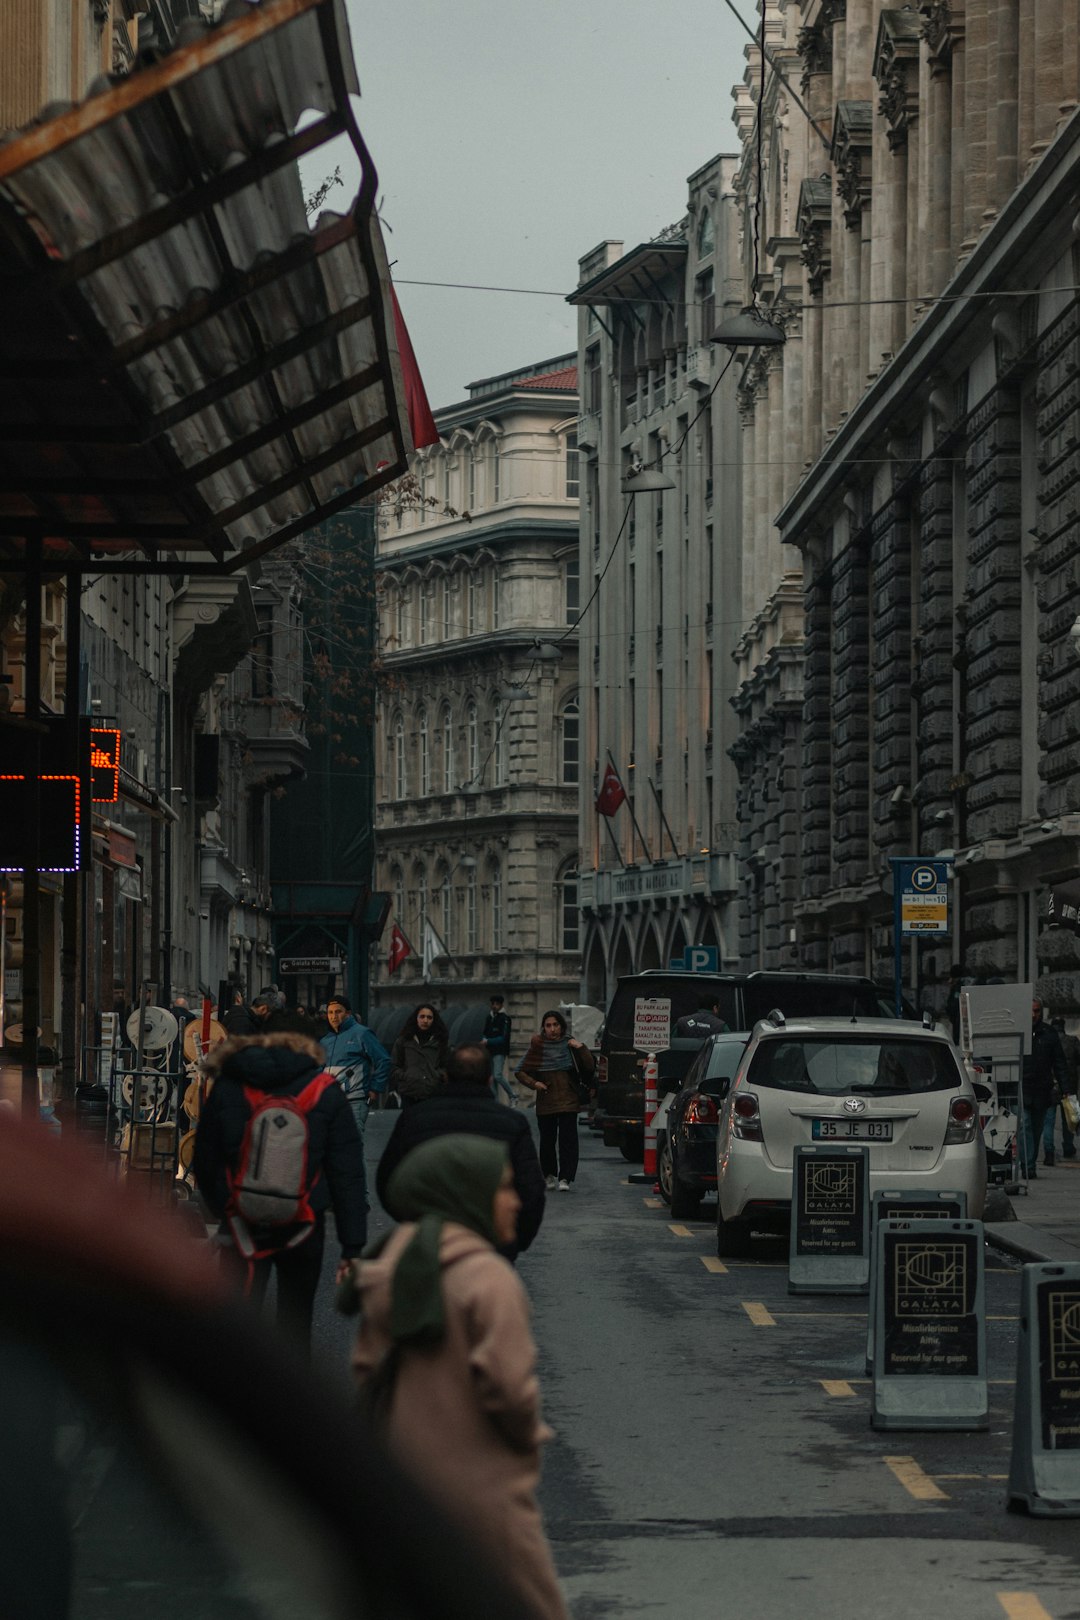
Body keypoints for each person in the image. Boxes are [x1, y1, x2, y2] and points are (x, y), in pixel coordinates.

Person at [349, 1135, 569, 1620]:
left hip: (402, 1483)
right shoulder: (489, 1279)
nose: (517, 1201)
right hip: (483, 1489)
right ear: (467, 1194)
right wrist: (526, 1438)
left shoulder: (395, 1258)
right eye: (504, 1189)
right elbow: (509, 1389)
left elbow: (366, 1369)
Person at [192, 1031, 368, 1350]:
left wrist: (227, 1208)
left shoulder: (229, 1086)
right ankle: (289, 1393)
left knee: (237, 1324)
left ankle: (237, 1393)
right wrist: (352, 1245)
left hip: (242, 1223)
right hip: (303, 1223)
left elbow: (204, 1159)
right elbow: (348, 1171)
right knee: (295, 1323)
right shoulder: (324, 1091)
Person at [377, 1043, 545, 1261]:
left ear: (446, 1076)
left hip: (429, 1239)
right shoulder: (512, 1123)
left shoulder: (415, 1118)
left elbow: (389, 1181)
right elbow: (530, 1190)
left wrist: (413, 1223)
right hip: (489, 1242)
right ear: (489, 1080)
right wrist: (513, 1241)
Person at [514, 1009, 595, 1191]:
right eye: (548, 1025)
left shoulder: (569, 1043)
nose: (552, 1029)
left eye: (556, 1025)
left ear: (562, 1026)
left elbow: (589, 1066)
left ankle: (565, 1177)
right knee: (547, 1141)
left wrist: (580, 1047)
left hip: (568, 1098)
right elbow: (520, 1070)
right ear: (543, 1027)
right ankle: (548, 1174)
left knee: (568, 1140)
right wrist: (535, 1084)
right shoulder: (538, 1046)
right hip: (546, 1100)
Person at [321, 995, 391, 1141]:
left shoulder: (362, 1033)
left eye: (338, 1012)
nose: (333, 1016)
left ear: (348, 1014)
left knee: (350, 1147)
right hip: (331, 1102)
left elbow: (383, 1060)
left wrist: (375, 1089)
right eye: (330, 1012)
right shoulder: (325, 1040)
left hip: (355, 1101)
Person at [1021, 999, 1070, 1176]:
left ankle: (1030, 1161)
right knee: (1024, 1125)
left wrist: (1066, 1088)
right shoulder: (1019, 1033)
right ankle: (1027, 1166)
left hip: (1042, 1090)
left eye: (1037, 1011)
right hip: (1023, 1088)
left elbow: (1059, 1063)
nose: (1034, 1015)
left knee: (1036, 1128)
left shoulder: (1049, 1034)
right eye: (1031, 1011)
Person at [390, 1004, 449, 1105]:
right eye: (422, 1016)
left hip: (432, 1092)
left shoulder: (440, 1042)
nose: (425, 1020)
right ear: (416, 1019)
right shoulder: (404, 1040)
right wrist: (406, 1077)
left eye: (429, 1017)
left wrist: (437, 1076)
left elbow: (446, 1065)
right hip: (409, 1092)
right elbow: (394, 1065)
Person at [1045, 1016, 1079, 1162]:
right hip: (1068, 1087)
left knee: (1049, 1121)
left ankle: (1049, 1150)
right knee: (1069, 1118)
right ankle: (1068, 1147)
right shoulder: (1072, 1042)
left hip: (1050, 1086)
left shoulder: (1048, 1041)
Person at [483, 994, 516, 1106]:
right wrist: (484, 1039)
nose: (494, 1006)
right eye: (493, 1004)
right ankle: (495, 1101)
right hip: (490, 1051)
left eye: (497, 1004)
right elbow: (485, 1032)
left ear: (501, 1005)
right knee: (491, 1077)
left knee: (497, 1075)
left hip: (499, 1051)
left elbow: (504, 1038)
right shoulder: (489, 1017)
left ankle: (513, 1096)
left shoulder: (505, 1018)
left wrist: (488, 1041)